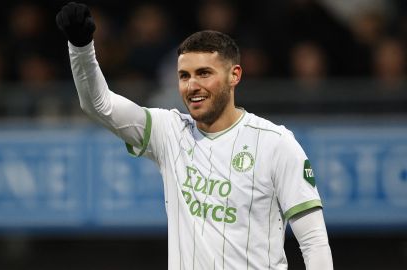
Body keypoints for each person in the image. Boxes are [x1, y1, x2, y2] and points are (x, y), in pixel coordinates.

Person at [56, 2, 333, 269]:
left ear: (234, 75)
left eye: (203, 73)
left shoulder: (276, 144)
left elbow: (313, 241)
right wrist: (81, 48)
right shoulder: (169, 132)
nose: (192, 86)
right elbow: (99, 105)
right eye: (184, 76)